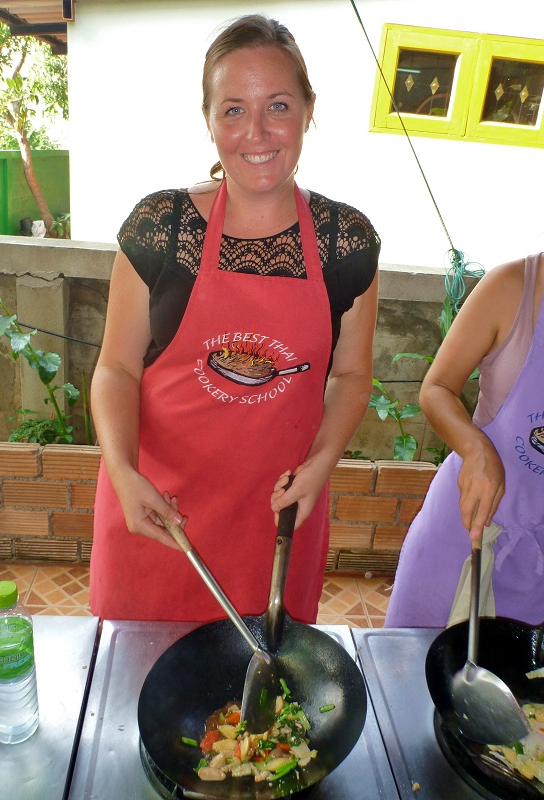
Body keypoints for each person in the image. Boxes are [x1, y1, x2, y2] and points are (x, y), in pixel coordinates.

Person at [89, 14, 380, 622]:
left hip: (275, 524)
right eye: (232, 110)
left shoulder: (345, 243)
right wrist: (121, 472)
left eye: (277, 105)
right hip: (159, 516)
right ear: (209, 121)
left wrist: (321, 464)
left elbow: (351, 377)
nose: (256, 132)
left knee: (263, 711)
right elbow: (116, 367)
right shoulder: (162, 228)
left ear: (307, 110)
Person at [385, 252, 544, 627]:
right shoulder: (511, 287)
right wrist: (476, 448)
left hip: (536, 569)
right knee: (411, 670)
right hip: (461, 532)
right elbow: (437, 387)